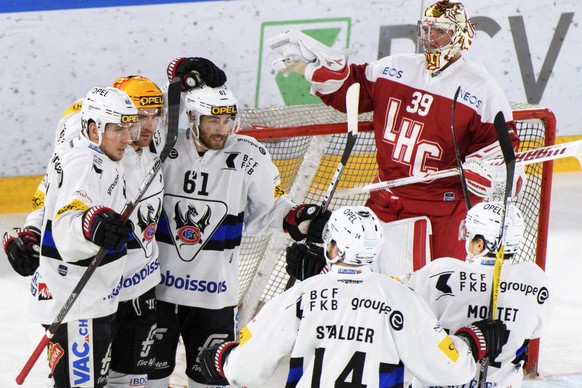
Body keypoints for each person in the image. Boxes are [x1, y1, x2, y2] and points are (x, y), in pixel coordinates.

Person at [267, 0, 521, 274]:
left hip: (441, 215)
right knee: (362, 289)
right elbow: (352, 91)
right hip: (384, 203)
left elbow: (506, 160)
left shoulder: (482, 89)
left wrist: (486, 172)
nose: (431, 39)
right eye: (427, 30)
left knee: (431, 300)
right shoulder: (395, 67)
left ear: (461, 34)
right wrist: (320, 71)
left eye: (441, 31)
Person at [197, 205, 508, 387]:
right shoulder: (400, 298)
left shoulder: (300, 296)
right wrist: (472, 342)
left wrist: (223, 359)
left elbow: (246, 368)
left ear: (333, 247)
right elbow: (448, 368)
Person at [147, 77, 327, 387]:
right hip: (157, 294)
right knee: (148, 381)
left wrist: (300, 218)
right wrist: (175, 77)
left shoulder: (249, 156)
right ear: (192, 117)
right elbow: (139, 119)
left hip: (214, 299)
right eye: (213, 119)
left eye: (227, 119)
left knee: (212, 382)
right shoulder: (165, 147)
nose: (222, 128)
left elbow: (270, 210)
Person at [26, 86, 137, 388]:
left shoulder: (85, 153)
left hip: (84, 299)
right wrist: (89, 226)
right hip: (79, 307)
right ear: (93, 128)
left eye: (129, 128)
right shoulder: (87, 164)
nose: (128, 138)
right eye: (118, 129)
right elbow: (66, 227)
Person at [404, 201, 553, 387]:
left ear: (480, 244)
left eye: (470, 235)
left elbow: (404, 313)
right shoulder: (535, 279)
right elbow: (537, 330)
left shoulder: (441, 271)